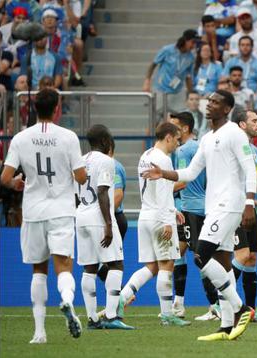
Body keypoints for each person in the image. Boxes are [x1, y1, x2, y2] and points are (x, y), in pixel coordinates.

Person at [142, 90, 256, 341]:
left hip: (230, 204)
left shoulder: (235, 133)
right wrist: (163, 173)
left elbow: (250, 168)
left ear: (226, 109)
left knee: (200, 256)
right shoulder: (207, 138)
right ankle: (227, 327)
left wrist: (249, 202)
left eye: (215, 102)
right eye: (209, 100)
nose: (209, 104)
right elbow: (191, 173)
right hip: (213, 205)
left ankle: (240, 308)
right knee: (223, 263)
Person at [0, 88, 87, 344]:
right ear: (57, 108)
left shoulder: (21, 138)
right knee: (64, 265)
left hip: (34, 211)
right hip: (61, 210)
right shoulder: (68, 137)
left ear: (35, 108)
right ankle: (68, 301)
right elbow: (81, 176)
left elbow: (5, 178)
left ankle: (39, 333)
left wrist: (18, 183)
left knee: (39, 269)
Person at [117, 122, 190, 327]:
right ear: (168, 137)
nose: (177, 143)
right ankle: (168, 315)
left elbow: (156, 189)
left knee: (151, 266)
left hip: (146, 215)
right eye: (176, 139)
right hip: (159, 218)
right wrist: (168, 219)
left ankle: (122, 298)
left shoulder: (146, 155)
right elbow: (163, 192)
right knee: (167, 264)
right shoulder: (163, 159)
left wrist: (172, 211)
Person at [75, 124, 133, 330]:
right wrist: (109, 223)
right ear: (105, 141)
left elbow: (75, 194)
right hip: (98, 216)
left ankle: (92, 319)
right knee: (116, 264)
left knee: (89, 268)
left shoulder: (80, 160)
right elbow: (102, 192)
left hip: (81, 214)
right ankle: (110, 316)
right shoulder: (107, 161)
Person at [167, 112, 221, 322]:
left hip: (193, 210)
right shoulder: (197, 147)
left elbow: (184, 179)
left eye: (175, 127)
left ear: (186, 129)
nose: (172, 131)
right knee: (177, 252)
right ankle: (179, 303)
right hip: (194, 208)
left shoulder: (184, 150)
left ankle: (215, 305)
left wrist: (162, 190)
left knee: (201, 258)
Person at [230, 109, 257, 323]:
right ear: (242, 125)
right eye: (254, 121)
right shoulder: (231, 147)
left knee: (252, 258)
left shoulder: (254, 151)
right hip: (234, 210)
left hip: (250, 211)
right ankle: (225, 305)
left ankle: (250, 311)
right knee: (243, 254)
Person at [96, 138, 128, 284]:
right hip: (105, 218)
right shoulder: (100, 164)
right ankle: (117, 299)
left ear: (108, 149)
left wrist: (107, 218)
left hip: (114, 217)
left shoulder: (113, 166)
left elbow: (118, 194)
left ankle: (119, 298)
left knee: (109, 263)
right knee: (99, 263)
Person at [143, 30, 198, 115]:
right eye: (192, 42)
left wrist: (191, 92)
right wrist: (147, 81)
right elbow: (153, 65)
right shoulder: (167, 50)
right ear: (185, 40)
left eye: (195, 43)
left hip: (177, 92)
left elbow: (188, 77)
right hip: (161, 89)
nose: (194, 46)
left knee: (176, 119)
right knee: (155, 118)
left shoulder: (191, 57)